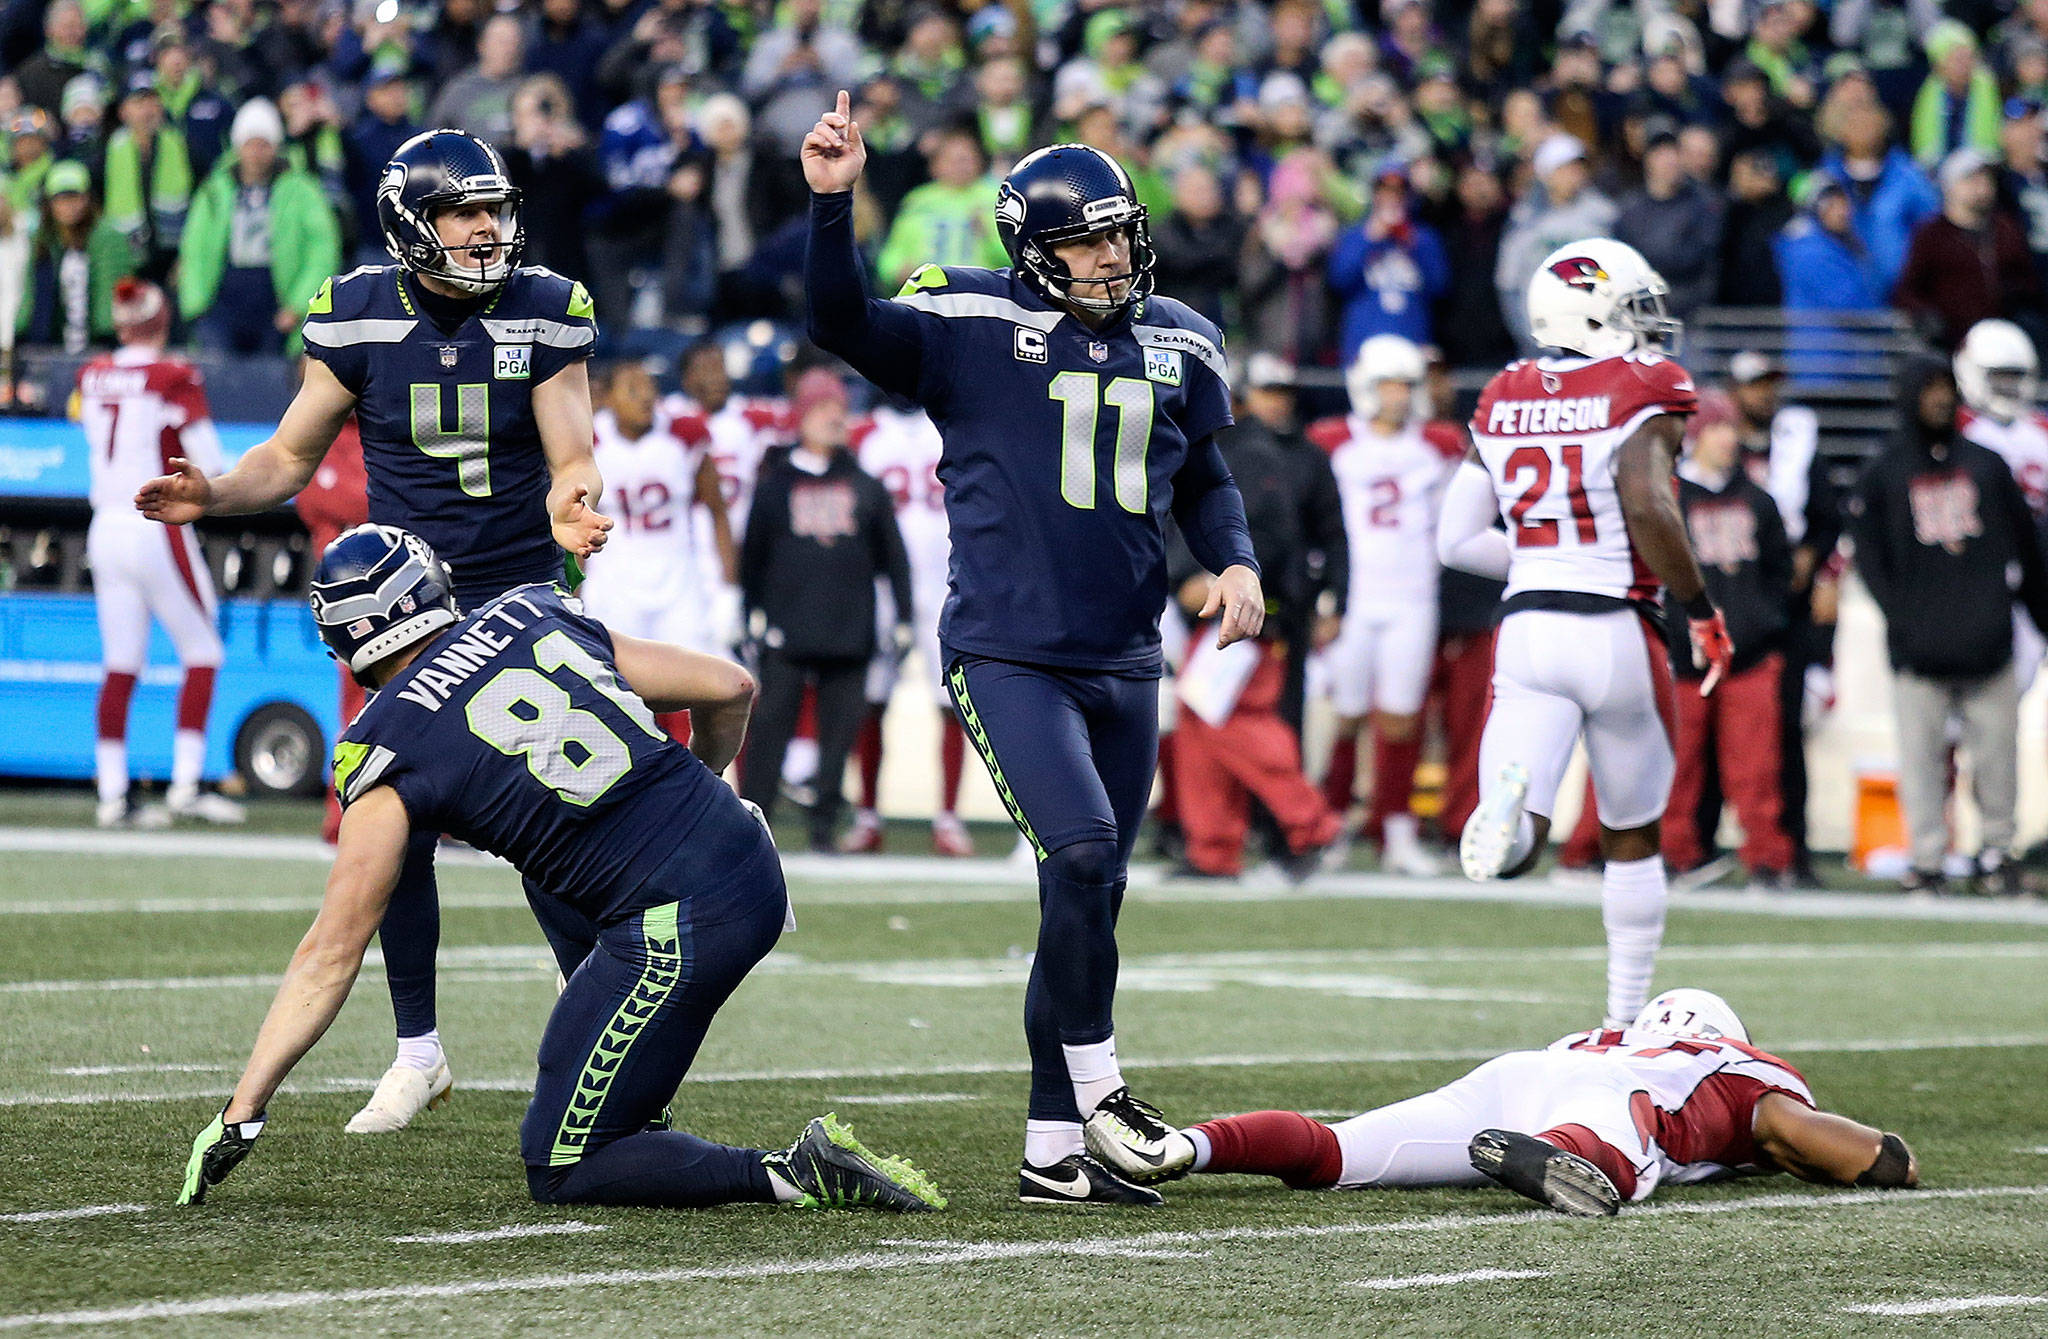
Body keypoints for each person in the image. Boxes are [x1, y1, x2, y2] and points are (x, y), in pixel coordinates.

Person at [177, 524, 944, 1216]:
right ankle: (630, 1086)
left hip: (684, 917)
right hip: (743, 851)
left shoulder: (383, 745)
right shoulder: (531, 607)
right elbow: (730, 686)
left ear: (343, 640)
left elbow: (332, 950)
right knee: (542, 862)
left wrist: (245, 1105)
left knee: (564, 1163)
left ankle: (792, 1170)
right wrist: (700, 788)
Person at [803, 96, 1262, 1205]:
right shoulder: (964, 322)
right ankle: (1100, 1092)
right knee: (1083, 849)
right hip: (1008, 649)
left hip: (1125, 654)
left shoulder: (1177, 336)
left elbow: (1199, 471)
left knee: (1086, 897)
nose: (1111, 255)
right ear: (1031, 251)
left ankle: (1052, 1154)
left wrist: (1234, 559)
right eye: (1085, 240)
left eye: (1118, 232)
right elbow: (841, 323)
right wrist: (831, 205)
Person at [137, 129, 613, 1137]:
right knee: (393, 823)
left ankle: (599, 1021)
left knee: (554, 824)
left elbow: (572, 447)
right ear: (411, 225)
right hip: (405, 609)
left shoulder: (543, 306)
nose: (486, 230)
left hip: (523, 586)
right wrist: (216, 493)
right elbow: (290, 455)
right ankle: (417, 1052)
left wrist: (575, 501)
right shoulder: (354, 313)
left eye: (493, 209)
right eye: (462, 213)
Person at [1437, 238, 1728, 1029]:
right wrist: (1699, 606)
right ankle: (1623, 1017)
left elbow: (1455, 539)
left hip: (1529, 623)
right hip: (1616, 624)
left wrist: (1538, 555)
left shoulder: (1503, 391)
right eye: (1635, 308)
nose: (1648, 327)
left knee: (1523, 823)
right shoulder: (1643, 383)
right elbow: (1647, 503)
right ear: (1596, 311)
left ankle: (1514, 811)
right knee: (1631, 831)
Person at [1083, 988, 1918, 1217]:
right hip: (1604, 1099)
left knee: (1340, 1152)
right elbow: (1849, 1151)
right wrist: (1889, 1158)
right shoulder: (1732, 1066)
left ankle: (1185, 1144)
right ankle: (1567, 1161)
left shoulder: (1612, 1034)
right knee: (1623, 1152)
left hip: (1519, 1072)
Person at [1849, 356, 2048, 896]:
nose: (1939, 397)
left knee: (1997, 761)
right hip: (1920, 646)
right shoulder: (1885, 470)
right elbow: (1868, 557)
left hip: (1988, 641)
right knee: (1921, 763)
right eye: (1929, 387)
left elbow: (2026, 549)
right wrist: (1903, 617)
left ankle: (1995, 853)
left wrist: (2036, 613)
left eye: (1945, 386)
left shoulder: (1986, 464)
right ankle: (1929, 859)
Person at [76, 279, 243, 829]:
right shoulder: (172, 375)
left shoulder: (93, 372)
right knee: (204, 650)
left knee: (121, 664)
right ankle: (187, 785)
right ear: (162, 321)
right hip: (154, 523)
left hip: (104, 524)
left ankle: (112, 793)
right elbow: (210, 460)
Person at [737, 369, 914, 853]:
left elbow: (893, 558)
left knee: (839, 738)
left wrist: (903, 617)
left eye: (839, 408)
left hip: (849, 628)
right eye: (822, 408)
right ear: (801, 416)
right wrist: (748, 611)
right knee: (770, 729)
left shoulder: (865, 484)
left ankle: (823, 828)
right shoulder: (775, 484)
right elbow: (753, 554)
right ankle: (754, 824)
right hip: (786, 627)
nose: (835, 417)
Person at [1311, 334, 1459, 876]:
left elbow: (1455, 523)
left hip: (1412, 596)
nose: (1398, 396)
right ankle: (1330, 826)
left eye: (1406, 385)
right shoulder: (1332, 441)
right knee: (1346, 717)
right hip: (1352, 597)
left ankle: (1397, 831)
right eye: (1389, 385)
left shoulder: (1437, 445)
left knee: (1401, 720)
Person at [1661, 396, 1795, 883]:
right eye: (1717, 428)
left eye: (1730, 428)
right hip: (1686, 656)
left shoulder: (1758, 499)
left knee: (1757, 770)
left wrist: (1761, 623)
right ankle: (1676, 853)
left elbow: (1781, 571)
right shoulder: (1669, 497)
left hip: (1748, 654)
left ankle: (1767, 858)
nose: (1728, 438)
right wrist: (1678, 634)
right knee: (1678, 767)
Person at [844, 395, 975, 858]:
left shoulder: (949, 422)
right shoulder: (865, 433)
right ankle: (867, 814)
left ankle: (949, 817)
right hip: (882, 585)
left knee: (953, 704)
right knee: (871, 700)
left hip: (949, 582)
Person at [1728, 351, 1841, 886]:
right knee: (1708, 735)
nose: (1764, 395)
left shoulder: (1797, 442)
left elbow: (1827, 517)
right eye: (1754, 385)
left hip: (1785, 604)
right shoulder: (1712, 442)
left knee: (1786, 731)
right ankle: (1699, 844)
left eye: (1771, 384)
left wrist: (1812, 559)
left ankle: (1790, 846)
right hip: (1728, 599)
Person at [581, 363, 738, 682]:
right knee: (617, 684)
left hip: (678, 580)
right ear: (608, 398)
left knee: (693, 681)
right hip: (614, 583)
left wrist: (728, 590)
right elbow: (577, 526)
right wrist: (575, 590)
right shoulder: (589, 441)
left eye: (650, 388)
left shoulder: (684, 434)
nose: (645, 398)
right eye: (632, 389)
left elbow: (718, 513)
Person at [177, 97, 341, 356]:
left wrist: (300, 305)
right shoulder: (214, 190)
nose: (256, 153)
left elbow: (321, 249)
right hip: (223, 299)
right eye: (250, 144)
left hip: (275, 300)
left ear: (275, 147)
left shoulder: (302, 190)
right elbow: (194, 247)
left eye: (264, 144)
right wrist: (197, 305)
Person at [1895, 148, 2043, 352]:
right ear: (1950, 186)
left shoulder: (2006, 229)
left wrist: (2016, 302)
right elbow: (1907, 290)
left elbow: (2027, 281)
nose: (1982, 187)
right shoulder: (1932, 234)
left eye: (1986, 179)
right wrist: (1927, 316)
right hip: (1951, 342)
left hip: (2001, 339)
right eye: (1972, 179)